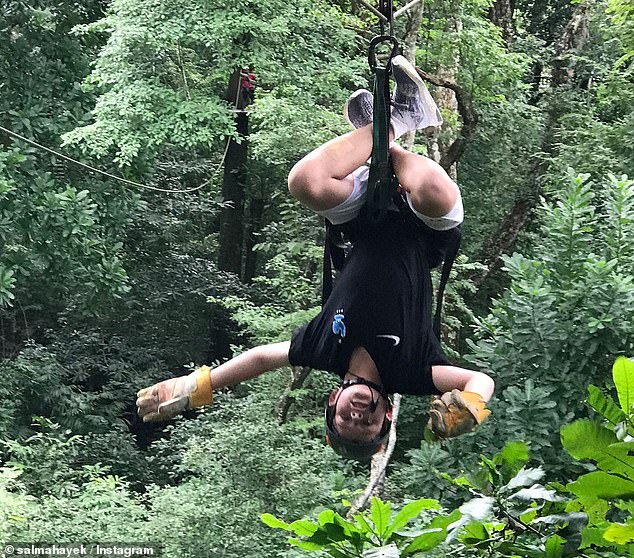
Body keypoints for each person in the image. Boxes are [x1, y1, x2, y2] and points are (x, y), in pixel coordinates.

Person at [136, 56, 494, 460]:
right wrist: (470, 406)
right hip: (425, 229)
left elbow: (259, 358)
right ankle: (390, 129)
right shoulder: (411, 373)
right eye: (369, 424)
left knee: (304, 182)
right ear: (388, 413)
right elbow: (479, 379)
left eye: (346, 421)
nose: (358, 417)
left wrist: (190, 389)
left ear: (331, 401)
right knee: (432, 186)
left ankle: (388, 128)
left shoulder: (323, 350)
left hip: (365, 221)